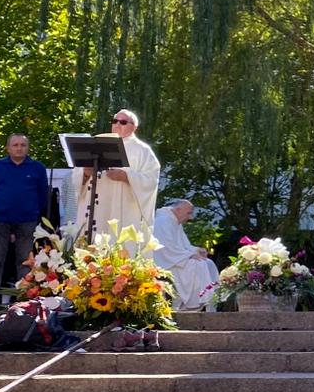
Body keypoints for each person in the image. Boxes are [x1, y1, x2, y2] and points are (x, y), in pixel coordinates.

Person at [0, 134, 51, 311]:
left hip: (27, 220)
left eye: (23, 145)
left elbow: (43, 196)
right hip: (0, 219)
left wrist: (32, 210)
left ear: (28, 148)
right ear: (8, 148)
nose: (19, 148)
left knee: (25, 261)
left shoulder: (37, 168)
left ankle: (23, 301)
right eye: (15, 145)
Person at [75, 108, 161, 245]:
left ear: (134, 127)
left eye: (123, 122)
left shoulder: (142, 150)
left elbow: (151, 179)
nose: (117, 124)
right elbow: (78, 174)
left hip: (123, 209)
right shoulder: (97, 144)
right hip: (97, 205)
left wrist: (127, 176)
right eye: (115, 121)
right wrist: (85, 173)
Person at [153, 200, 219, 311]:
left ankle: (210, 302)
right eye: (188, 213)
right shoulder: (163, 221)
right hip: (167, 262)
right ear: (178, 210)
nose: (190, 217)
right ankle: (195, 302)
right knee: (199, 265)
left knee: (208, 263)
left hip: (176, 258)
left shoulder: (174, 221)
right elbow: (165, 248)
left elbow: (183, 246)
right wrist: (189, 255)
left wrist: (197, 250)